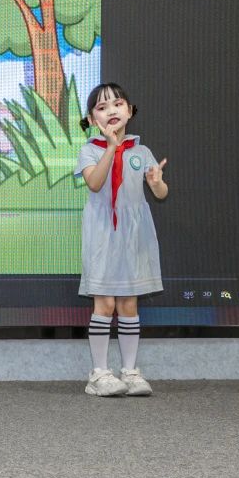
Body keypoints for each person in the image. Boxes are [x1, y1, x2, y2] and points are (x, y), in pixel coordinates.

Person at [75, 83, 167, 398]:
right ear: (92, 119)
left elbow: (161, 193)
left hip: (134, 236)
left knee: (129, 302)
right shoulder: (89, 150)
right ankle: (99, 373)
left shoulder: (142, 152)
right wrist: (111, 148)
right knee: (105, 302)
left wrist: (156, 183)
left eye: (117, 104)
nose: (111, 111)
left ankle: (130, 371)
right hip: (103, 234)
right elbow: (95, 182)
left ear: (129, 110)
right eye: (102, 108)